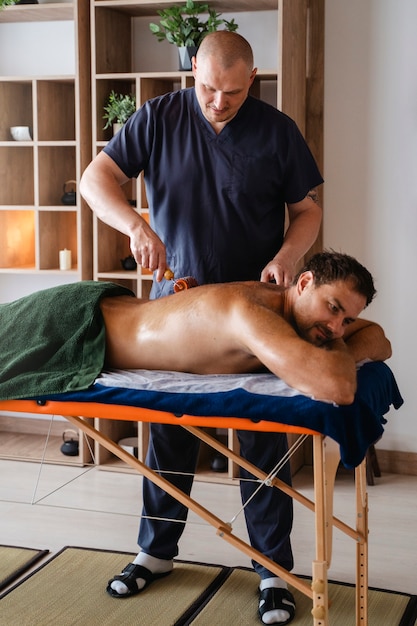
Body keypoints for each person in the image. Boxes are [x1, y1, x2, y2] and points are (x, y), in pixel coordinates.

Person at [80, 30, 326, 626]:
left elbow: (307, 211)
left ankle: (274, 572)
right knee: (169, 431)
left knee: (261, 437)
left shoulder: (276, 130)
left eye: (234, 93)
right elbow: (95, 181)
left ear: (254, 79)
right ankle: (155, 553)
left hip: (256, 312)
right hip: (177, 308)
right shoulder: (159, 116)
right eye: (210, 88)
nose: (219, 102)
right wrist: (135, 226)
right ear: (194, 70)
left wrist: (291, 255)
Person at [0, 252, 392, 626]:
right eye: (334, 309)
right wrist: (336, 346)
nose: (337, 326)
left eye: (347, 320)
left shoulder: (299, 312)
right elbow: (337, 385)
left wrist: (331, 336)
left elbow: (379, 339)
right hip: (75, 325)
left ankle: (271, 573)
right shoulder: (253, 313)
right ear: (304, 283)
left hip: (102, 318)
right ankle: (155, 554)